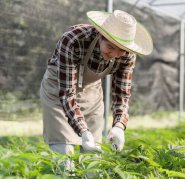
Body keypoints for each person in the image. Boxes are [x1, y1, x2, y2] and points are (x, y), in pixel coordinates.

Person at [40, 10, 153, 155]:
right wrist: (83, 131)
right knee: (64, 153)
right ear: (100, 35)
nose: (115, 55)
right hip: (58, 90)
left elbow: (121, 94)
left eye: (122, 51)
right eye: (111, 47)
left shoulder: (128, 54)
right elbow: (67, 93)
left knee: (93, 158)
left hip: (91, 94)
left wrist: (119, 126)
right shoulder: (74, 40)